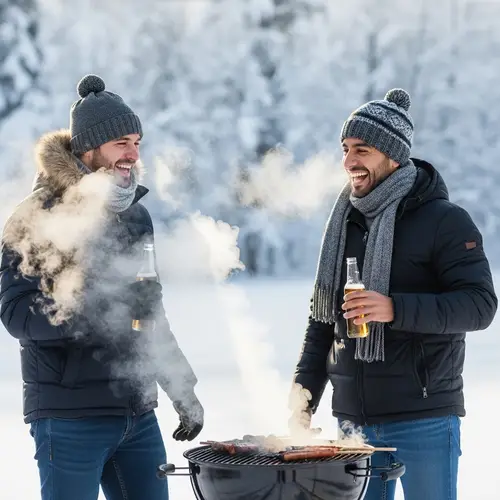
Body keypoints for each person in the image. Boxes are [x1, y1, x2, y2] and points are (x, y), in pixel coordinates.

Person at [0, 74, 204, 500]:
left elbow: (150, 311)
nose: (132, 154)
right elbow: (16, 315)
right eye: (120, 144)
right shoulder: (34, 215)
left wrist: (181, 388)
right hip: (69, 417)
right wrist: (96, 303)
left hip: (137, 412)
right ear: (87, 150)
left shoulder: (135, 216)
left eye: (137, 142)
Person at [290, 88, 497, 500]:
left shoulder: (445, 221)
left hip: (424, 416)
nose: (349, 162)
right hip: (354, 426)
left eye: (361, 150)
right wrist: (304, 395)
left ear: (393, 154)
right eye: (345, 149)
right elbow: (323, 319)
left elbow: (479, 305)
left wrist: (394, 308)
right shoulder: (343, 223)